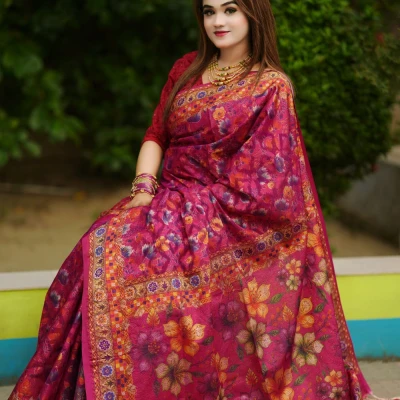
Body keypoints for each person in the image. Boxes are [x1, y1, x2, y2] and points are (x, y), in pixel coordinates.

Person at [10, 0, 382, 399]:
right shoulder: (186, 69)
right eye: (208, 11)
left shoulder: (270, 87)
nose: (218, 21)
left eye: (230, 10)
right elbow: (156, 135)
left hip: (221, 214)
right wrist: (143, 189)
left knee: (136, 273)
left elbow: (268, 182)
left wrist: (194, 207)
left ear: (253, 13)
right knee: (97, 248)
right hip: (161, 197)